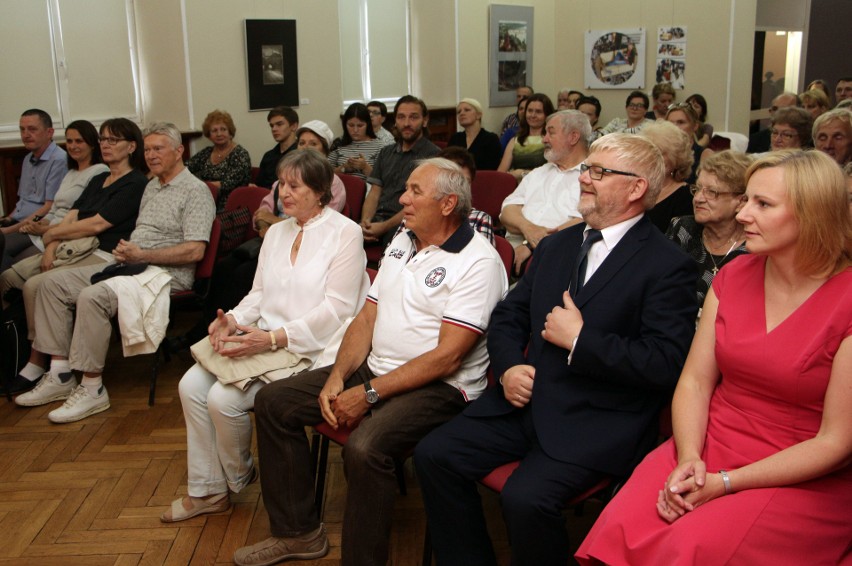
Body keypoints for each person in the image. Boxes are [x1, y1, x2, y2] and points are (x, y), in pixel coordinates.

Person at [414, 134, 697, 565]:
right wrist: (509, 368)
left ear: (637, 188)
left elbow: (664, 364)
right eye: (587, 169)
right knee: (434, 455)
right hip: (524, 401)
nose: (584, 178)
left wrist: (582, 341)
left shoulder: (666, 266)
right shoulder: (557, 246)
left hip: (595, 419)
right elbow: (508, 315)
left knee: (525, 500)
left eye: (599, 172)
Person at [576, 149, 852, 566]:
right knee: (621, 522)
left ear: (812, 215)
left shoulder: (846, 300)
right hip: (708, 441)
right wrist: (689, 456)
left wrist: (725, 483)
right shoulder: (735, 274)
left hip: (799, 470)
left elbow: (837, 442)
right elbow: (695, 381)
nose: (742, 216)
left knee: (692, 547)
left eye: (763, 204)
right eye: (745, 201)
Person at [232, 158, 507, 566]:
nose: (402, 199)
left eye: (415, 191)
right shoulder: (403, 239)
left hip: (441, 388)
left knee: (364, 448)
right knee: (274, 402)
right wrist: (337, 377)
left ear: (448, 204)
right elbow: (367, 316)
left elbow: (448, 358)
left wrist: (370, 393)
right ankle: (297, 534)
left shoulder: (478, 262)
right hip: (375, 367)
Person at [162, 150, 369, 523]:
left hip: (309, 346)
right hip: (264, 339)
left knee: (223, 399)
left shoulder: (345, 233)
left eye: (294, 185)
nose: (283, 193)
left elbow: (337, 310)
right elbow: (258, 294)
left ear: (321, 191)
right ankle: (209, 488)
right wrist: (232, 320)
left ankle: (237, 477)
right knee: (191, 386)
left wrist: (274, 339)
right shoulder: (276, 232)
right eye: (280, 184)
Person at [14, 122, 215, 423]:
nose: (151, 155)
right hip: (131, 263)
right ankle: (60, 372)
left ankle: (93, 388)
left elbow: (194, 252)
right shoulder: (152, 186)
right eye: (147, 149)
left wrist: (142, 254)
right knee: (49, 284)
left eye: (158, 148)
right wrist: (128, 251)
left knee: (93, 296)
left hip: (163, 273)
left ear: (179, 151)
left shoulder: (195, 191)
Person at [166, 120, 347, 352]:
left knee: (242, 275)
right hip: (269, 236)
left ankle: (215, 329)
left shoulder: (332, 186)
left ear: (325, 150)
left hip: (300, 330)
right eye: (302, 143)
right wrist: (266, 224)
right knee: (223, 269)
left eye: (314, 144)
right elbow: (262, 210)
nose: (284, 191)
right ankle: (212, 325)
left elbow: (316, 220)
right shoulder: (282, 189)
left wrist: (272, 222)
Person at [1, 118, 149, 395]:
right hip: (71, 246)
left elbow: (96, 224)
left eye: (113, 140)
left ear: (131, 146)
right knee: (15, 279)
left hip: (102, 252)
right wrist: (50, 244)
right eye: (103, 139)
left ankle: (52, 366)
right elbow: (72, 215)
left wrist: (53, 234)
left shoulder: (135, 183)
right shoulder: (98, 179)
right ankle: (39, 359)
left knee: (41, 284)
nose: (105, 145)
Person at [1, 120, 108, 271]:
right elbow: (53, 209)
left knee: (12, 264)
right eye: (69, 141)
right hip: (44, 232)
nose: (73, 146)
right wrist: (40, 224)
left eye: (79, 141)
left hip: (64, 236)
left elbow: (84, 217)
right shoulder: (71, 172)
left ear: (91, 144)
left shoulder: (100, 171)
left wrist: (44, 230)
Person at [500, 110, 589, 275]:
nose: (544, 139)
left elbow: (583, 222)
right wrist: (528, 229)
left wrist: (532, 245)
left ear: (573, 137)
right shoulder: (539, 172)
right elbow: (507, 210)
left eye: (551, 133)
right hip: (512, 249)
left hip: (557, 255)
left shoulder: (592, 177)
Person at [666, 150, 751, 308]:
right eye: (697, 189)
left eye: (711, 192)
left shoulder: (752, 249)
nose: (698, 199)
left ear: (741, 202)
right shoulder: (683, 229)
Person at [360, 95, 440, 248]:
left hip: (408, 224)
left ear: (425, 120)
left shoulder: (433, 157)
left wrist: (383, 227)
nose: (407, 123)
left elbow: (420, 205)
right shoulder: (386, 153)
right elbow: (375, 192)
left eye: (413, 117)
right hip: (378, 221)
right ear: (395, 121)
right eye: (401, 117)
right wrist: (366, 222)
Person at [0, 110, 67, 235]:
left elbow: (49, 208)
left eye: (32, 129)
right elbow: (23, 201)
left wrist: (8, 231)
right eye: (22, 129)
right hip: (18, 222)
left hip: (37, 225)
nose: (25, 135)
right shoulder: (27, 159)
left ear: (49, 132)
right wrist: (8, 219)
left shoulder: (59, 160)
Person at [186, 110, 251, 210]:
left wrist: (198, 184)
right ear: (209, 135)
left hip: (229, 206)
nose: (219, 134)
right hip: (203, 200)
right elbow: (186, 168)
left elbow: (226, 184)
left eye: (223, 129)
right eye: (214, 131)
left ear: (230, 132)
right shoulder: (206, 152)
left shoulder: (240, 154)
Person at [641, 121, 695, 232]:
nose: (654, 157)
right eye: (649, 151)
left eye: (661, 153)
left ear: (676, 158)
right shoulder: (636, 187)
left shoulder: (686, 197)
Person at [498, 93, 555, 182]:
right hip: (516, 189)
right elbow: (500, 174)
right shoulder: (515, 140)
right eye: (530, 111)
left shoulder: (551, 140)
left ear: (547, 115)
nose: (533, 115)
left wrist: (523, 173)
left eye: (538, 112)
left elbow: (552, 173)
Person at [327, 103, 386, 180]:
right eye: (351, 125)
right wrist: (344, 168)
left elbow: (383, 179)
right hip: (340, 189)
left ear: (368, 125)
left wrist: (365, 167)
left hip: (368, 189)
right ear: (345, 125)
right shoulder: (338, 143)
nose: (355, 130)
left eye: (360, 126)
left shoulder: (379, 146)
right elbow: (326, 174)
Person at [447, 98, 502, 171]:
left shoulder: (491, 139)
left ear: (478, 115)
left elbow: (492, 168)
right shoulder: (455, 138)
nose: (462, 113)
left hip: (482, 179)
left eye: (467, 110)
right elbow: (447, 164)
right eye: (459, 112)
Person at [666, 103, 713, 182]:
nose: (674, 127)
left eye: (681, 122)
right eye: (670, 123)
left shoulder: (705, 154)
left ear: (695, 126)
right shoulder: (660, 153)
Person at [255, 106, 299, 189]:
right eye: (272, 126)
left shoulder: (302, 155)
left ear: (294, 126)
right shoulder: (268, 156)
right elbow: (259, 186)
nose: (274, 129)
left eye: (279, 124)